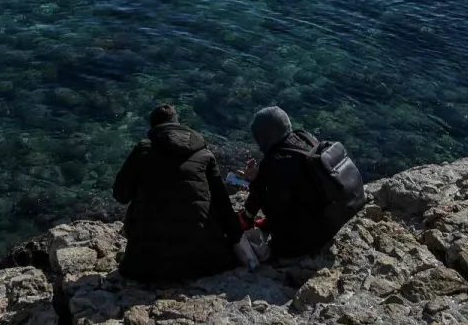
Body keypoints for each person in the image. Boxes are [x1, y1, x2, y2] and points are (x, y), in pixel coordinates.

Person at [112, 104, 242, 281]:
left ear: (153, 128)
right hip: (203, 260)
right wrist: (236, 239)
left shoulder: (143, 150)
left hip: (146, 265)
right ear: (178, 124)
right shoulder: (204, 153)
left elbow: (120, 195)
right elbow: (223, 203)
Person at [242, 106, 334, 259]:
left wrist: (256, 181)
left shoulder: (275, 161)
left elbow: (274, 210)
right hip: (328, 219)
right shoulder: (304, 137)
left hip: (309, 238)